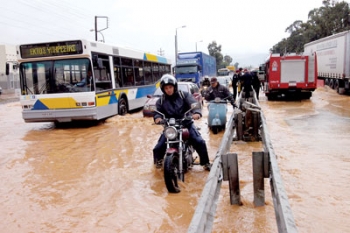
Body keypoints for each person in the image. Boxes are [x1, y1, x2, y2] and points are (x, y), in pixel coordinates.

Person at [153, 74, 212, 171]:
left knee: (199, 141)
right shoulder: (161, 100)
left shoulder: (184, 95)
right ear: (163, 89)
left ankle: (205, 163)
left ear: (174, 87)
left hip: (186, 124)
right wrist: (157, 118)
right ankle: (158, 163)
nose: (168, 90)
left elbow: (194, 104)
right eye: (166, 88)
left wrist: (196, 113)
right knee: (158, 147)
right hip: (170, 127)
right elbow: (157, 112)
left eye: (170, 87)